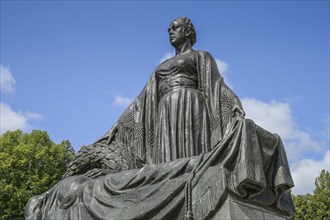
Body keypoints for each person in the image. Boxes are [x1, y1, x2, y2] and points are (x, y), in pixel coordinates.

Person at [25, 17, 295, 220]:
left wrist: (234, 108)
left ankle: (193, 186)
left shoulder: (201, 56)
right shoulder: (159, 67)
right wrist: (116, 128)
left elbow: (216, 86)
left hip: (192, 104)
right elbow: (140, 103)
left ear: (187, 32)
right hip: (165, 112)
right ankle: (175, 188)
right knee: (167, 158)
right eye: (169, 28)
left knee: (192, 152)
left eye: (175, 27)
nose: (170, 31)